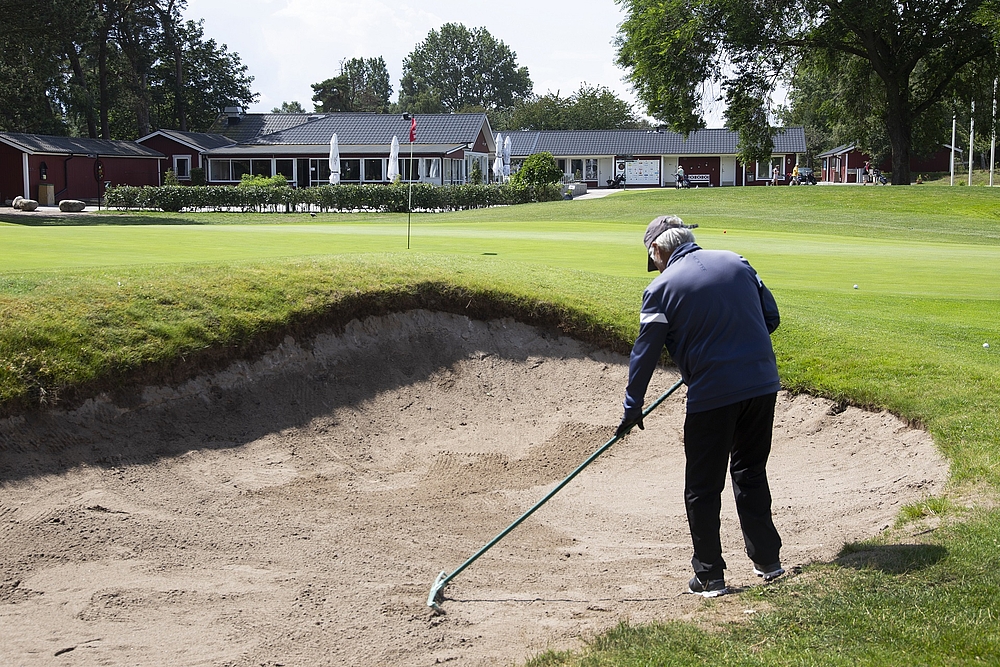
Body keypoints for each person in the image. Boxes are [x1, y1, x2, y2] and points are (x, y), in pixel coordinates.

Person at [616, 215, 785, 598]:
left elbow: (644, 355)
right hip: (762, 385)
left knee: (703, 487)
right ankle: (768, 562)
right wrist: (732, 343)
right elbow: (770, 318)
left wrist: (632, 406)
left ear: (657, 250)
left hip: (713, 396)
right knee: (750, 471)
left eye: (652, 259)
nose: (654, 266)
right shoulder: (737, 261)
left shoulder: (660, 288)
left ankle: (709, 576)